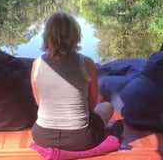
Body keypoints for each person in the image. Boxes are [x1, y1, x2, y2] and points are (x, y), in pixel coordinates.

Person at [30, 11, 115, 151]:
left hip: (42, 136)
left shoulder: (37, 63)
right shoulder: (86, 63)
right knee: (107, 106)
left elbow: (39, 102)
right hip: (80, 139)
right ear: (75, 35)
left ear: (47, 36)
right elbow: (92, 103)